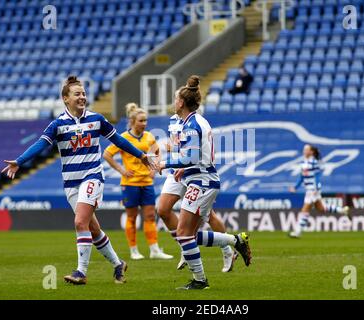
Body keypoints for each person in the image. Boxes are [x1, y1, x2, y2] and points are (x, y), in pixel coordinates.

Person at [2, 76, 157, 285]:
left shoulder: (97, 119)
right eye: (77, 94)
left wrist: (141, 155)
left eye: (83, 93)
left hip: (92, 176)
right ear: (66, 98)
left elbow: (118, 140)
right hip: (71, 183)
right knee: (92, 229)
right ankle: (118, 264)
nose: (82, 97)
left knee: (79, 222)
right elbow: (40, 145)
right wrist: (19, 161)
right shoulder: (58, 124)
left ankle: (81, 272)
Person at [158, 75, 252, 290]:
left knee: (184, 234)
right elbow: (196, 154)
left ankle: (201, 280)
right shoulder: (193, 121)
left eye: (175, 99)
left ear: (181, 102)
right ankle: (235, 241)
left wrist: (165, 163)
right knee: (188, 235)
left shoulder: (191, 124)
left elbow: (190, 157)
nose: (174, 102)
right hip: (199, 179)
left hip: (202, 181)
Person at [158, 114, 238, 273]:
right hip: (177, 170)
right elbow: (177, 146)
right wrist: (170, 148)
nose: (175, 101)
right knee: (162, 209)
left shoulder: (195, 121)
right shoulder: (175, 119)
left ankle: (227, 251)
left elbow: (196, 150)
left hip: (193, 170)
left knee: (208, 216)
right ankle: (186, 247)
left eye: (177, 98)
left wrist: (182, 161)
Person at [103, 103, 173, 260]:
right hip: (130, 183)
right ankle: (134, 250)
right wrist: (122, 170)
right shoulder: (123, 138)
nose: (144, 123)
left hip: (147, 182)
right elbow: (107, 154)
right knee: (132, 217)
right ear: (132, 121)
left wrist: (154, 169)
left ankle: (154, 249)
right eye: (141, 120)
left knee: (149, 216)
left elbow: (157, 152)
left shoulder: (149, 136)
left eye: (146, 120)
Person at [289, 144, 350, 238]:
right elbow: (302, 177)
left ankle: (298, 231)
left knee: (304, 210)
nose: (304, 151)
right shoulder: (304, 163)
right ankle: (342, 210)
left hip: (312, 189)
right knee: (321, 209)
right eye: (304, 149)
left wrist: (316, 189)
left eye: (306, 149)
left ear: (311, 152)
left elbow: (317, 177)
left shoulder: (314, 162)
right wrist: (295, 187)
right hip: (309, 189)